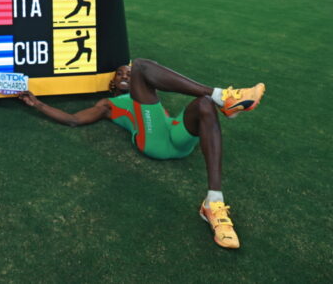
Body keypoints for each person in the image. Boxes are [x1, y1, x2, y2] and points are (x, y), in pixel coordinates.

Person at [17, 58, 265, 249]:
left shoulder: (147, 98)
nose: (125, 74)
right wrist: (37, 103)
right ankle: (223, 97)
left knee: (204, 104)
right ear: (113, 83)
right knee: (142, 65)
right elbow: (73, 119)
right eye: (121, 74)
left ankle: (213, 201)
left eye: (128, 73)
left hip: (178, 136)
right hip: (153, 142)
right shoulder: (108, 104)